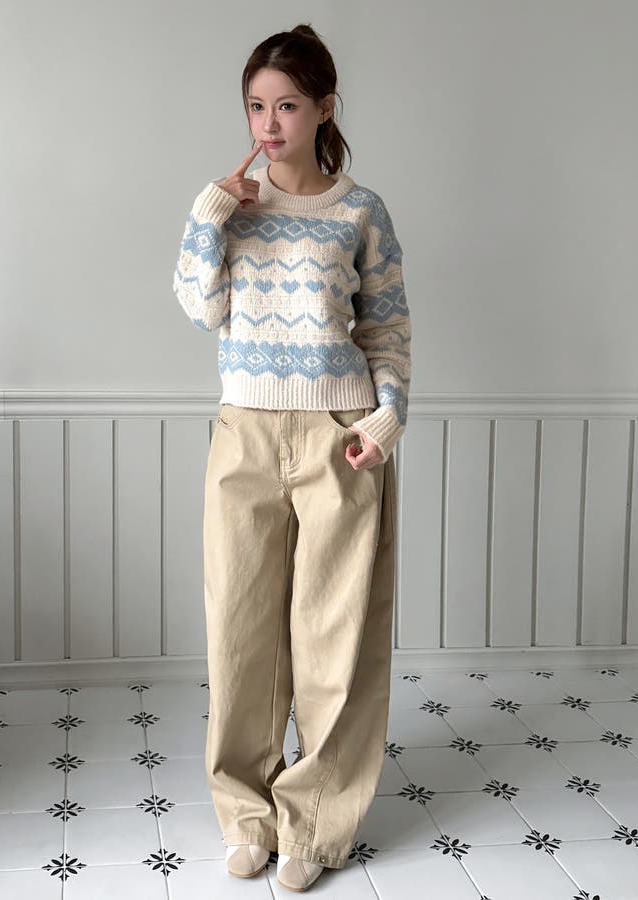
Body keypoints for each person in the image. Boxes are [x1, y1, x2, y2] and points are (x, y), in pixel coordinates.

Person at [172, 24, 411, 892]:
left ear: (324, 109)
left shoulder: (361, 210)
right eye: (256, 107)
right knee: (239, 633)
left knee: (333, 637)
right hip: (244, 431)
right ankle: (246, 817)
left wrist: (387, 419)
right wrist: (210, 215)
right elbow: (198, 307)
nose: (269, 124)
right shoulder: (231, 209)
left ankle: (313, 825)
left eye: (287, 106)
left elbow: (386, 326)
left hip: (339, 437)